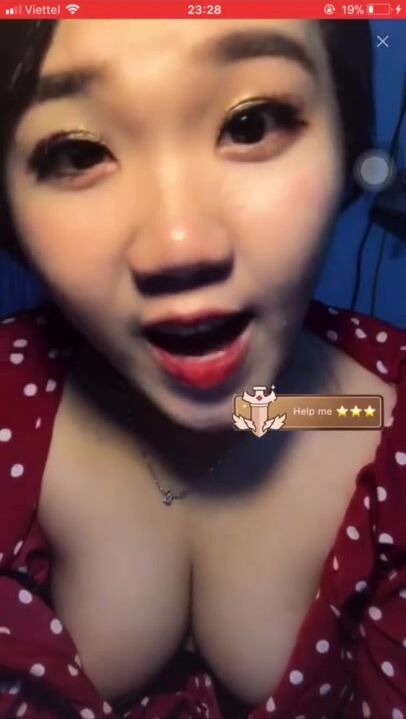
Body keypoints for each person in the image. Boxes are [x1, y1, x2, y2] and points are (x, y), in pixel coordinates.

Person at [0, 16, 405, 719]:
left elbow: (328, 414)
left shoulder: (382, 421)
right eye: (76, 151)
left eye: (251, 124)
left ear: (347, 138)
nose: (179, 244)